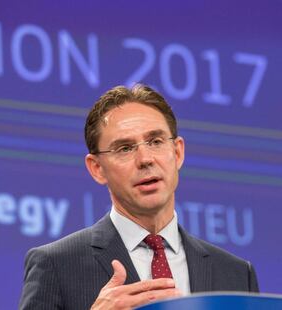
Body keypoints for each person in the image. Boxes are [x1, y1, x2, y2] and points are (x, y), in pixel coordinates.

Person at [19, 84, 259, 310]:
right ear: (97, 168)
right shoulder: (56, 265)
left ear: (177, 152)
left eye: (155, 141)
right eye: (125, 148)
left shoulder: (236, 274)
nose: (145, 159)